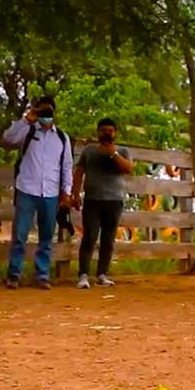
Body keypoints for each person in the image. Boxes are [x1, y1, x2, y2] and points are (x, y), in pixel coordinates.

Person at [3, 96, 73, 290]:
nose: (45, 115)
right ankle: (14, 274)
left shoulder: (62, 138)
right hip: (27, 189)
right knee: (20, 235)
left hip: (50, 192)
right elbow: (8, 139)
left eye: (48, 111)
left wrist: (66, 192)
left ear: (54, 113)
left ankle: (42, 275)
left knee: (47, 237)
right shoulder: (27, 131)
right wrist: (27, 119)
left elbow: (67, 166)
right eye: (42, 111)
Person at [72, 118, 133, 289]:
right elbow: (79, 172)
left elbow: (128, 169)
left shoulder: (123, 151)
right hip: (92, 200)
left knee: (108, 239)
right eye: (103, 130)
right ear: (98, 132)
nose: (107, 134)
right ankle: (83, 275)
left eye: (110, 131)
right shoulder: (89, 151)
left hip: (115, 201)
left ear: (115, 133)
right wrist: (75, 194)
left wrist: (113, 154)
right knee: (89, 237)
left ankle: (102, 274)